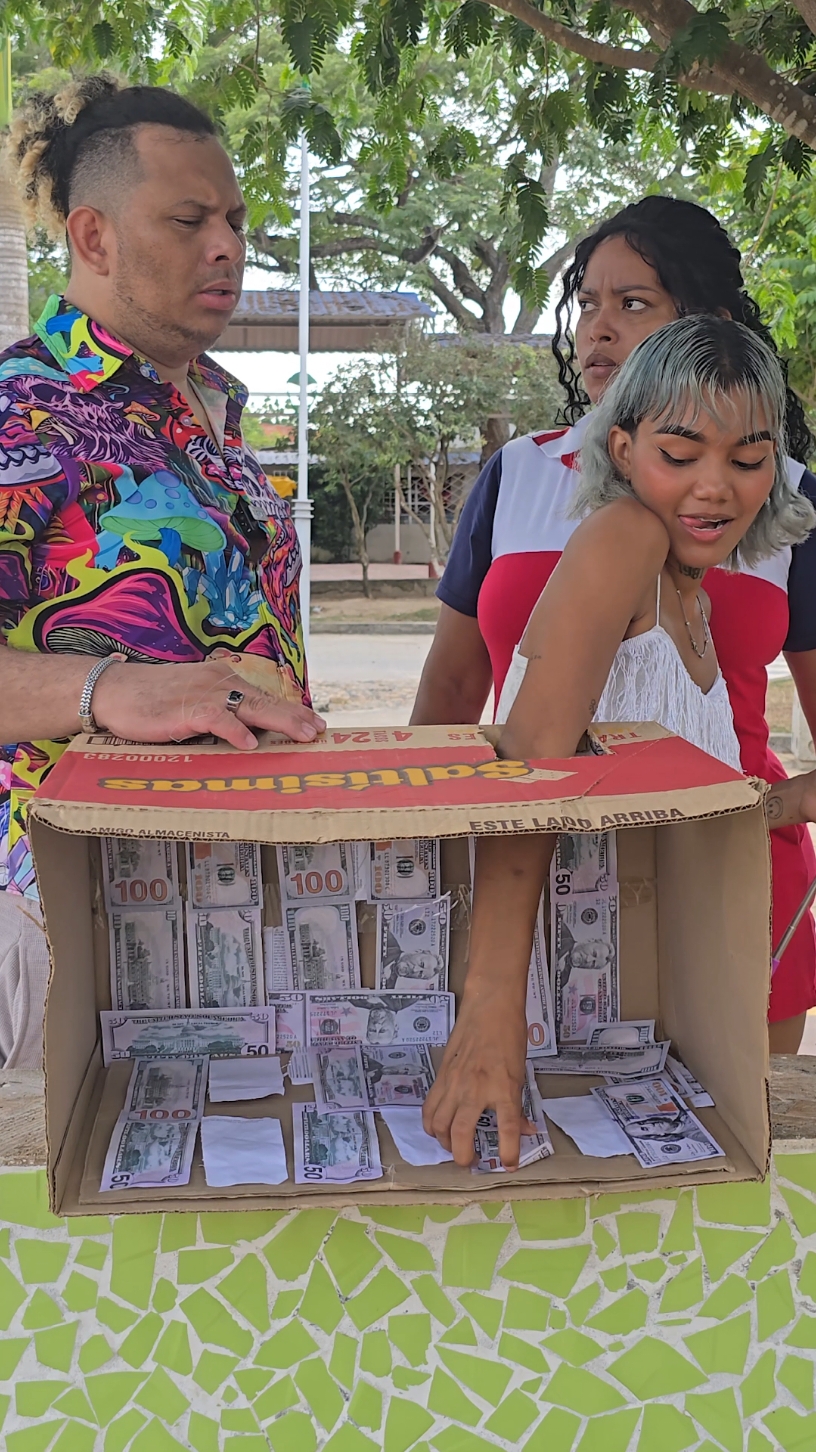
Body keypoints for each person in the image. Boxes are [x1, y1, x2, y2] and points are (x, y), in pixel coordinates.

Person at [412, 196, 816, 1054]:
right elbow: (470, 708)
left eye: (633, 304)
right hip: (540, 890)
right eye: (587, 303)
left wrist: (768, 806)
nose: (599, 328)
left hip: (730, 881)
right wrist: (420, 870)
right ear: (628, 454)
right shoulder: (525, 478)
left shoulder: (767, 503)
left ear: (704, 326)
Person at [0, 75, 324, 1068]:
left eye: (233, 218)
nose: (227, 244)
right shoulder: (19, 413)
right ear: (92, 239)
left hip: (236, 923)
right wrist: (106, 687)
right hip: (60, 924)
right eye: (189, 219)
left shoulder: (219, 418)